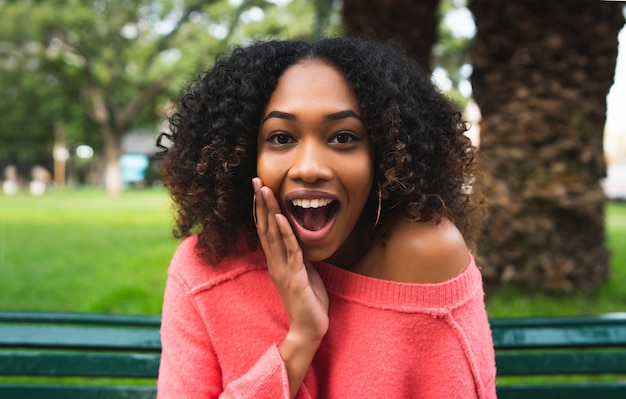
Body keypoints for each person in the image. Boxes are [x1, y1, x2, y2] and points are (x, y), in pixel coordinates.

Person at [156, 37, 496, 399]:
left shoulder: (424, 257)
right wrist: (300, 341)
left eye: (343, 137)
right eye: (282, 137)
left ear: (383, 155)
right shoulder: (205, 271)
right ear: (244, 155)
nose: (310, 168)